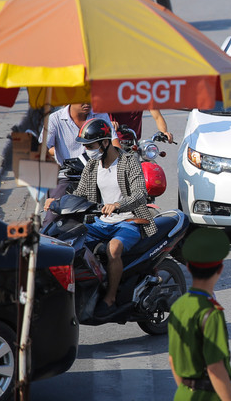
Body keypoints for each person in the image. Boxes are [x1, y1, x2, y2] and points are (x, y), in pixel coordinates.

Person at [46, 118, 157, 317]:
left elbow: (140, 194)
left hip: (128, 221)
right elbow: (79, 194)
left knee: (114, 249)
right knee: (71, 243)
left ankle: (111, 297)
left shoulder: (129, 161)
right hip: (101, 222)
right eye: (85, 146)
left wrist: (117, 205)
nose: (87, 150)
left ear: (105, 143)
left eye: (90, 145)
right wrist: (56, 201)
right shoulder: (92, 166)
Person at [168, 228, 231, 401]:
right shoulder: (211, 313)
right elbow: (215, 367)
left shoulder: (178, 306)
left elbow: (172, 359)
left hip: (182, 393)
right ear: (220, 270)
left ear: (189, 267)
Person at [42, 103, 113, 223]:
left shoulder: (100, 115)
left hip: (98, 175)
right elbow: (42, 149)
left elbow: (114, 142)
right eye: (82, 99)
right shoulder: (54, 119)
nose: (88, 103)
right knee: (53, 217)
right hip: (66, 177)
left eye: (90, 98)